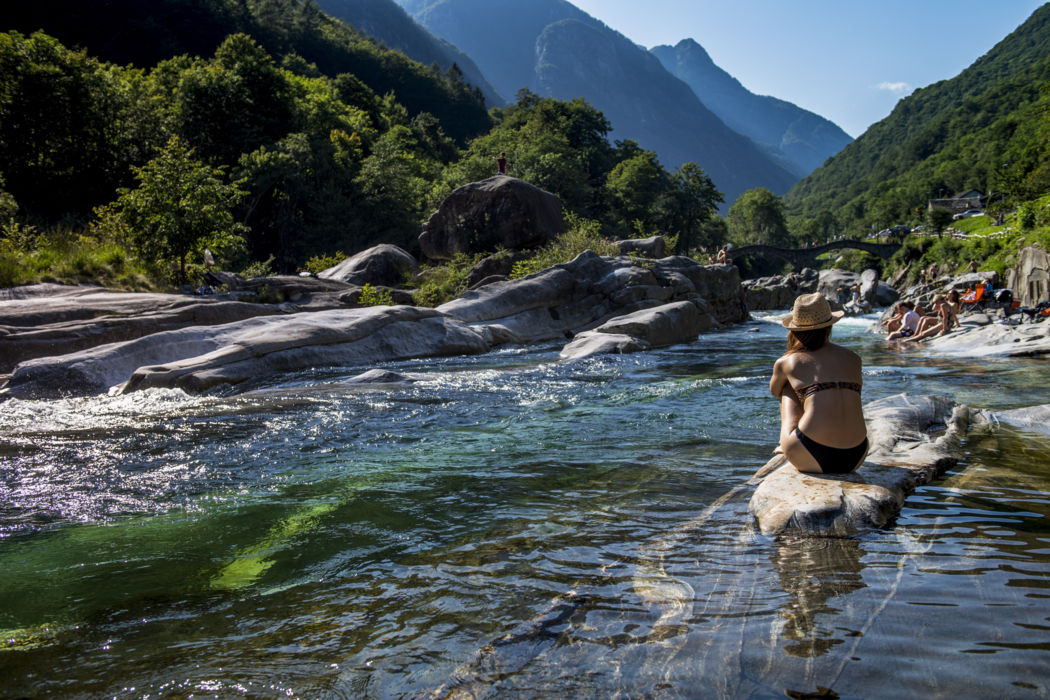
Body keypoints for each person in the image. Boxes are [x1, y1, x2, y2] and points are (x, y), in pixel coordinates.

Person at [769, 293, 868, 474]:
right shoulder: (854, 358)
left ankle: (785, 443)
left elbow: (775, 391)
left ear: (795, 330)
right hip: (856, 455)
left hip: (807, 452)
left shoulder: (788, 361)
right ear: (829, 327)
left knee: (787, 387)